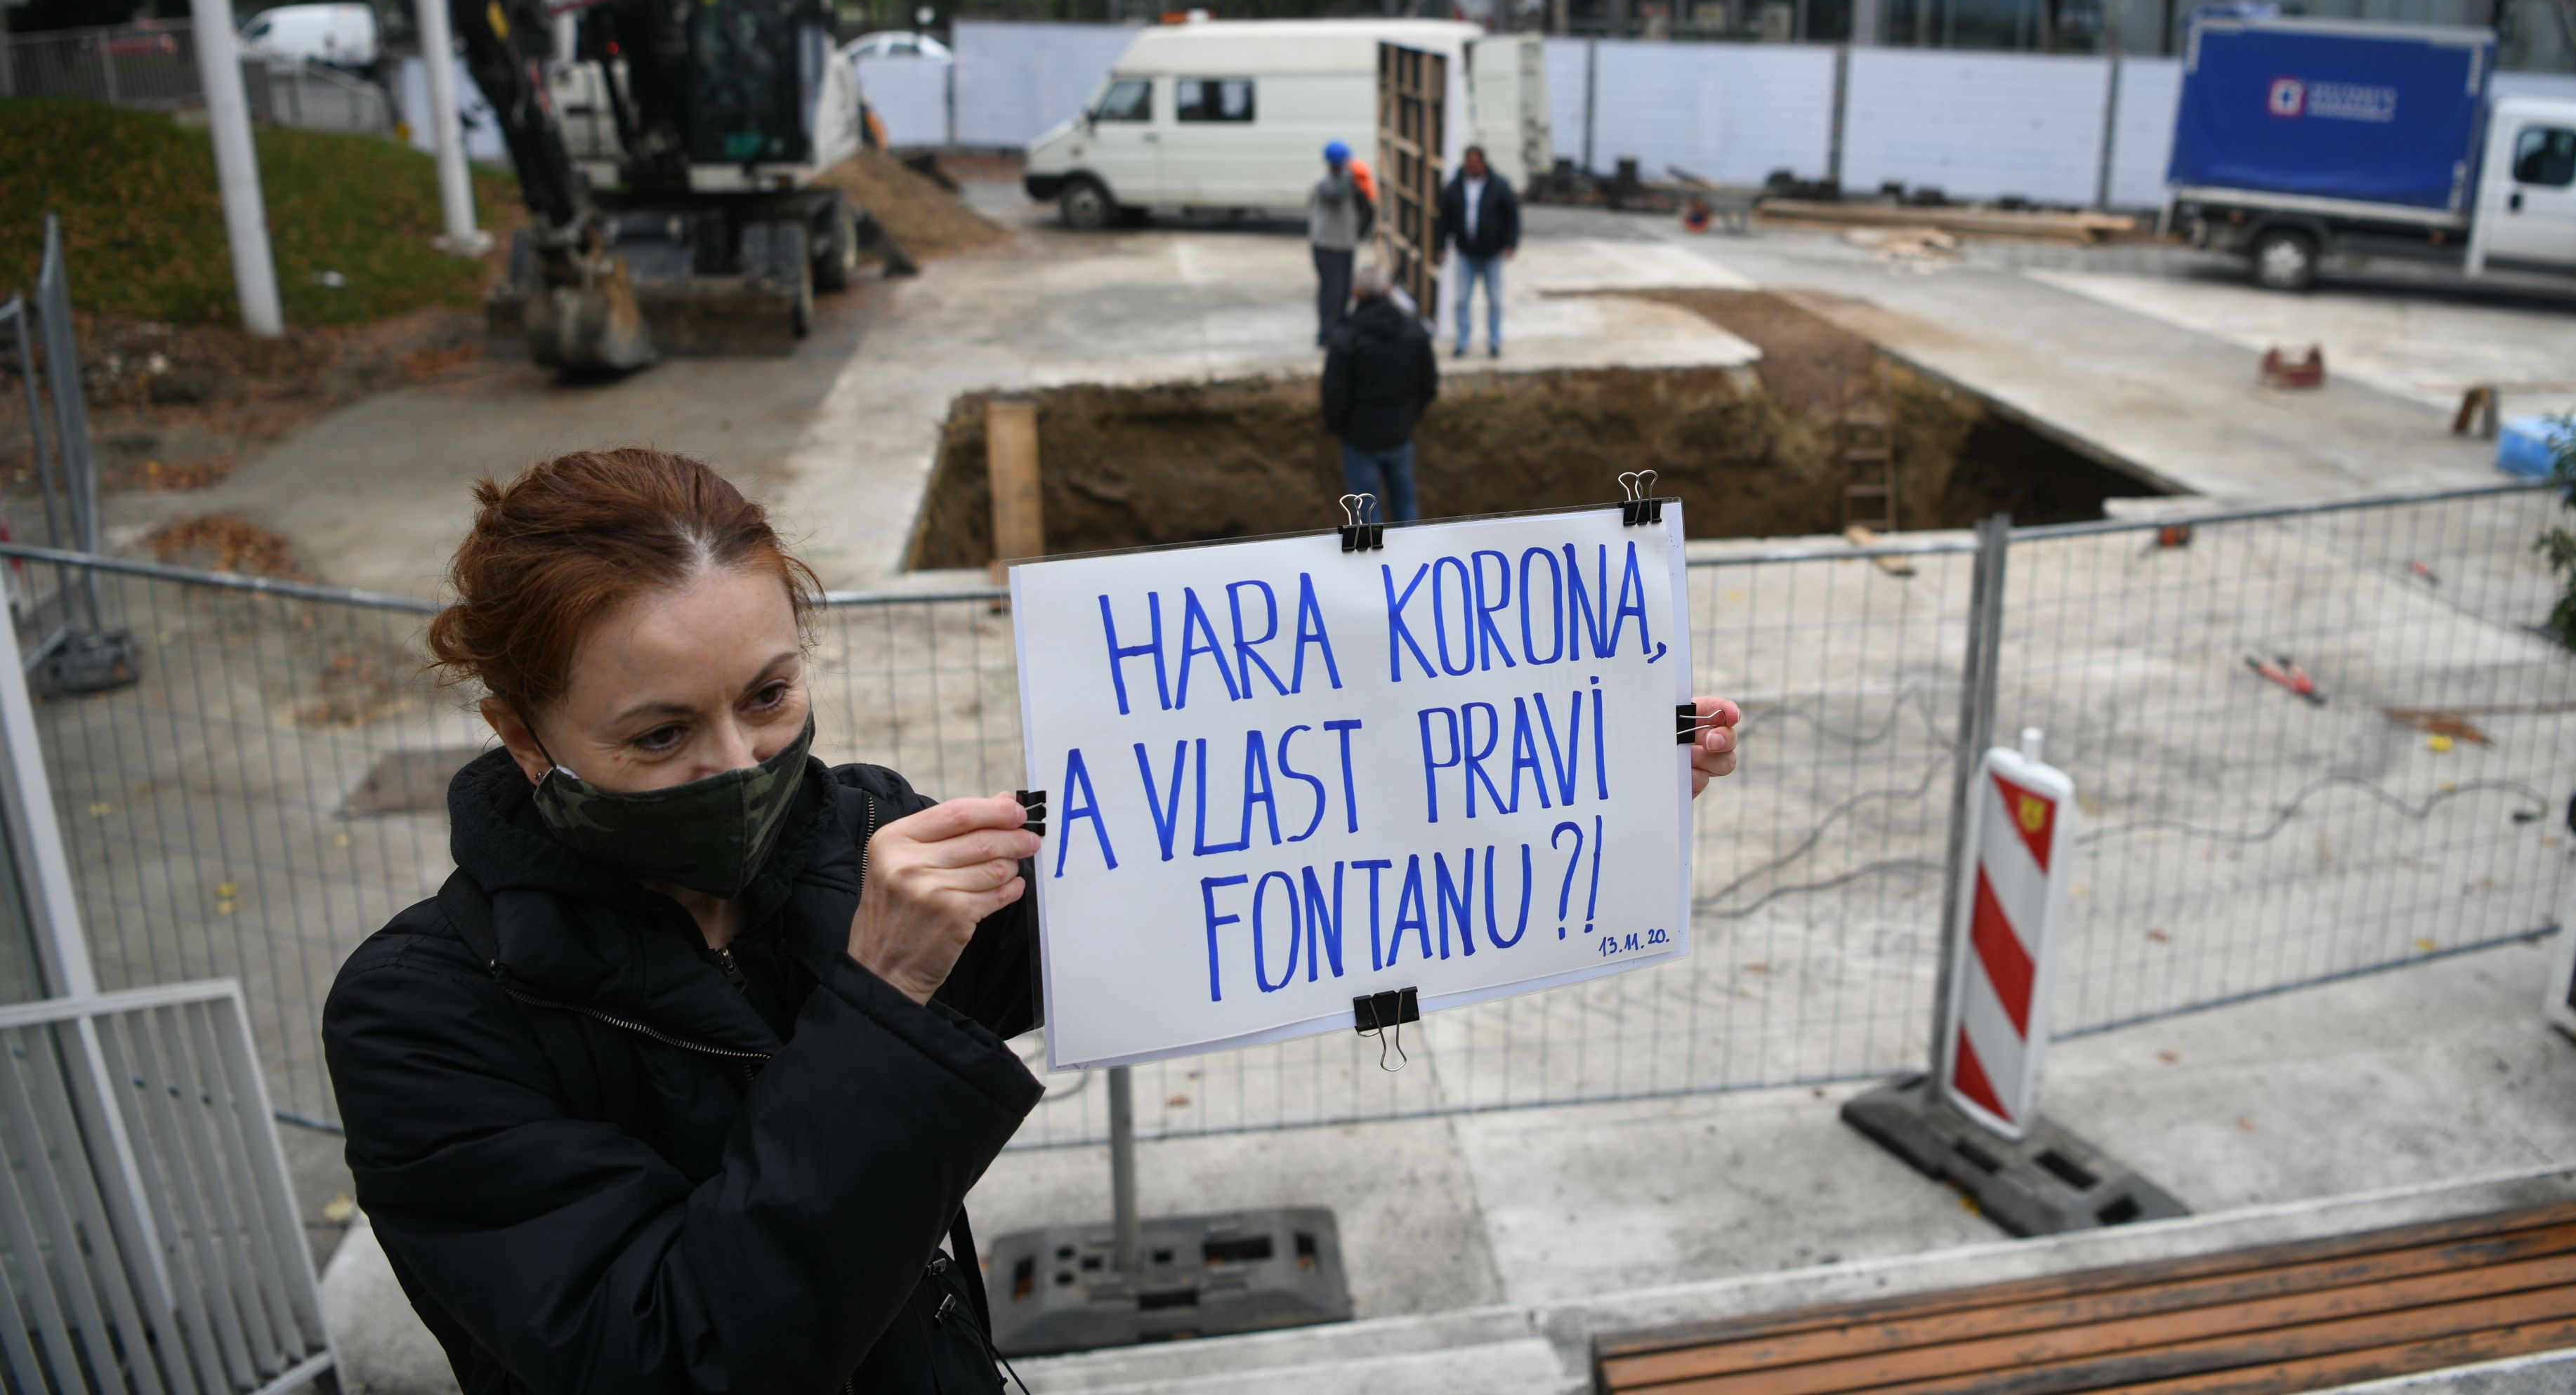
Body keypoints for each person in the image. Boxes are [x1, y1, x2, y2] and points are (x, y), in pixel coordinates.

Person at [324, 446, 1744, 1395]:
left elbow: (1180, 877)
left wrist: (1568, 758)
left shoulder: (847, 831)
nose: (743, 764)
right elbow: (680, 1359)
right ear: (523, 735)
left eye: (769, 693)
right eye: (656, 732)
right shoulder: (424, 1014)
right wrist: (876, 1005)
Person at [1321, 258, 1437, 524]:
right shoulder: (1414, 332)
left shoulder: (1345, 338)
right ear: (1387, 292)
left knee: (1365, 516)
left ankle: (1370, 566)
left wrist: (1338, 427)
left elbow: (1333, 395)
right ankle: (1413, 563)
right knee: (1406, 506)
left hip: (1360, 440)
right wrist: (1409, 416)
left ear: (1355, 293)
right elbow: (1428, 385)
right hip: (1399, 435)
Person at [1440, 145, 1520, 359]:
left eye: (1476, 162)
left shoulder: (1499, 186)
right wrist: (1441, 246)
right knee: (1462, 300)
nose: (1472, 166)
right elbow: (1444, 219)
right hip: (1466, 253)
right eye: (1469, 162)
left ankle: (1494, 341)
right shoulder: (1455, 187)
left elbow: (1512, 217)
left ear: (1483, 163)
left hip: (1492, 253)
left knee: (1494, 300)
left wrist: (1510, 243)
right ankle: (1462, 341)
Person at [1308, 139, 1376, 348]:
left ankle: (1339, 327)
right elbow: (1337, 196)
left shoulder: (1348, 181)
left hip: (1345, 244)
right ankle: (1327, 333)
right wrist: (1351, 178)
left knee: (1344, 289)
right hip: (1327, 246)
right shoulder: (1326, 182)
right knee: (1331, 291)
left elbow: (1364, 206)